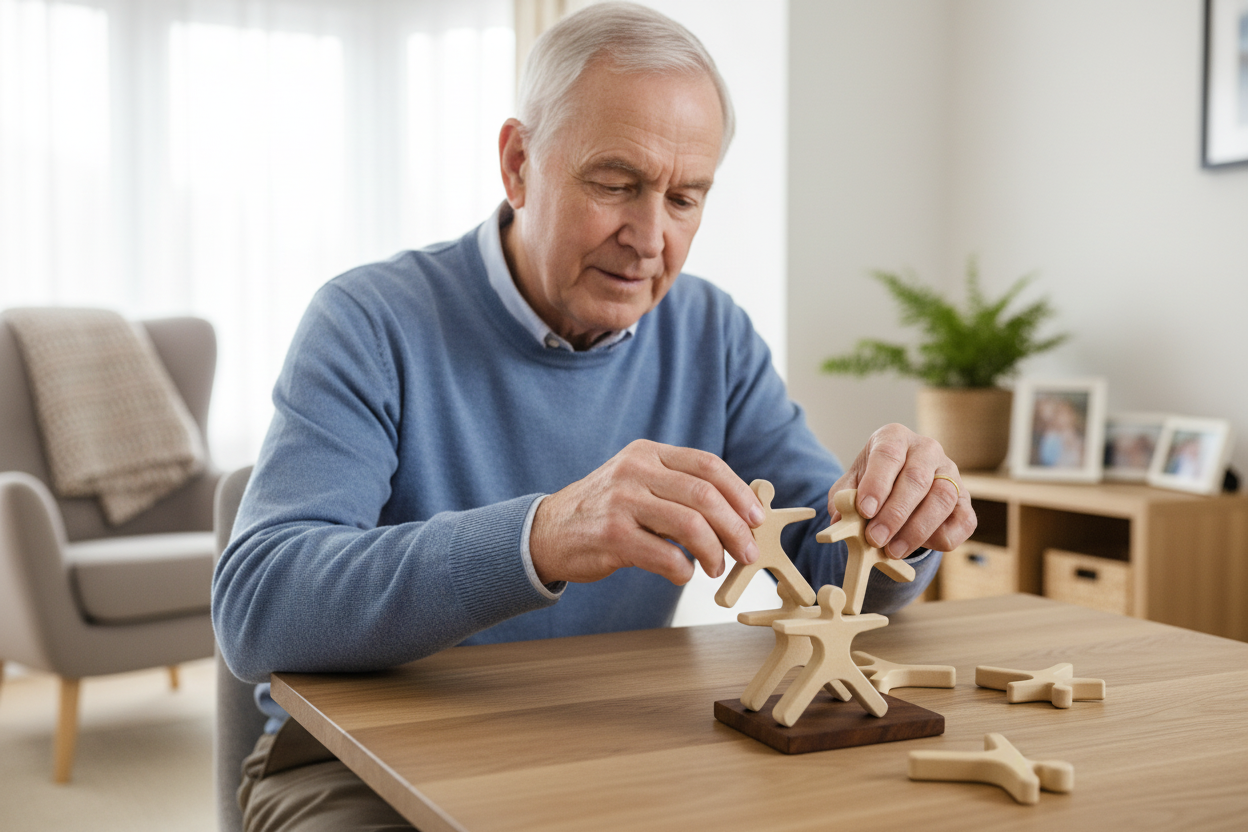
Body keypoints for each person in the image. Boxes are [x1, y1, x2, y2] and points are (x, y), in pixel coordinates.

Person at [212, 4, 976, 830]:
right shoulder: (368, 320)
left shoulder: (711, 334)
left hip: (604, 745)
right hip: (355, 766)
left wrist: (896, 522)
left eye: (684, 198)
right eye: (616, 184)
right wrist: (539, 537)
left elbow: (822, 568)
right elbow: (259, 607)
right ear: (517, 166)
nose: (649, 238)